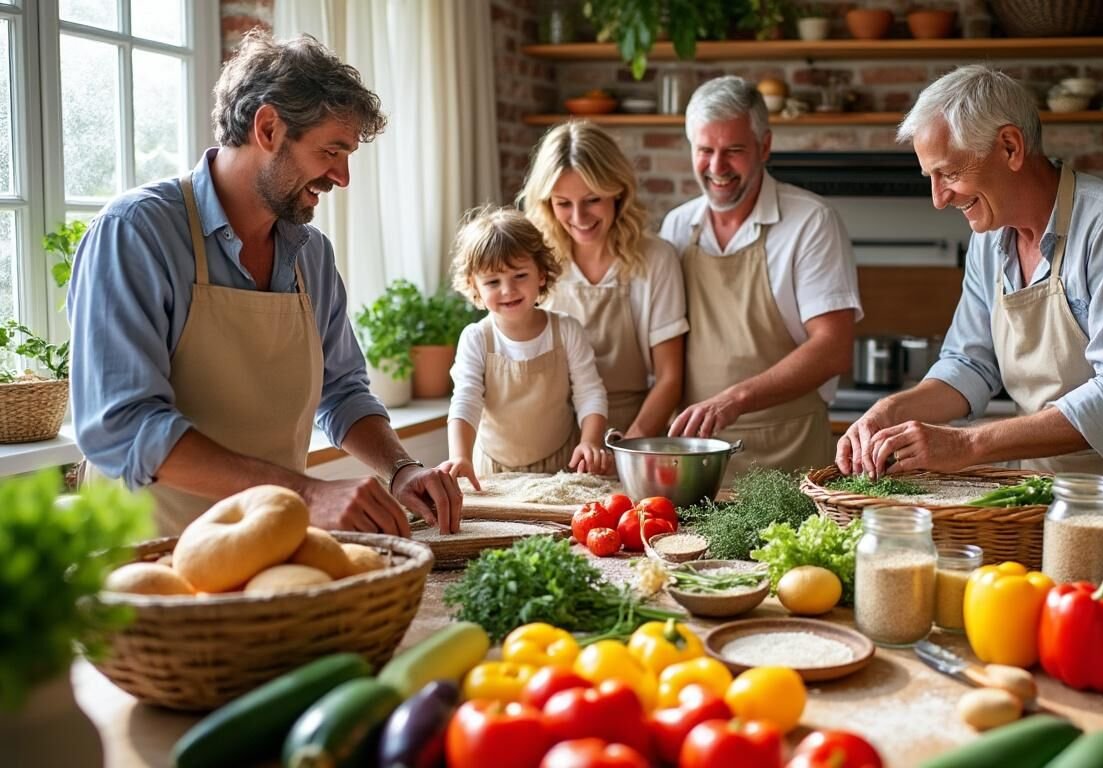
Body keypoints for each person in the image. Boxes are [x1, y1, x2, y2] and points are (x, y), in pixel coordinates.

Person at [67, 31, 462, 537]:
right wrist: (305, 494)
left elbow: (341, 392)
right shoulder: (136, 233)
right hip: (145, 567)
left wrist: (401, 469)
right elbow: (124, 427)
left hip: (264, 553)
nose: (342, 177)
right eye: (332, 151)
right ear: (269, 127)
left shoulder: (311, 255)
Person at [836, 64, 1103, 547]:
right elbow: (969, 363)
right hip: (1044, 497)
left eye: (949, 173)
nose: (938, 199)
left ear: (1010, 147)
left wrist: (967, 444)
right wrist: (890, 410)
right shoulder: (989, 238)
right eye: (930, 177)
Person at [659, 76, 862, 481]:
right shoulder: (678, 227)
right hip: (698, 457)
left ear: (764, 146)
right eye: (705, 151)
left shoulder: (810, 222)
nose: (717, 168)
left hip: (789, 455)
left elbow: (833, 348)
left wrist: (733, 401)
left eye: (733, 150)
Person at [519, 121, 688, 437]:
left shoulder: (656, 259)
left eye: (592, 199)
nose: (579, 218)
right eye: (563, 204)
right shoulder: (533, 261)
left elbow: (670, 379)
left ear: (618, 191)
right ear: (546, 203)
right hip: (549, 431)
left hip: (631, 429)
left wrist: (628, 447)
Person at [442, 206, 612, 490]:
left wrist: (590, 442)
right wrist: (460, 456)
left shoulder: (567, 330)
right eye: (493, 282)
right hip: (494, 471)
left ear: (541, 274)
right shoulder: (476, 338)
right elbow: (466, 400)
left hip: (562, 466)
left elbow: (590, 392)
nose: (508, 290)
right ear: (475, 285)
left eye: (520, 275)